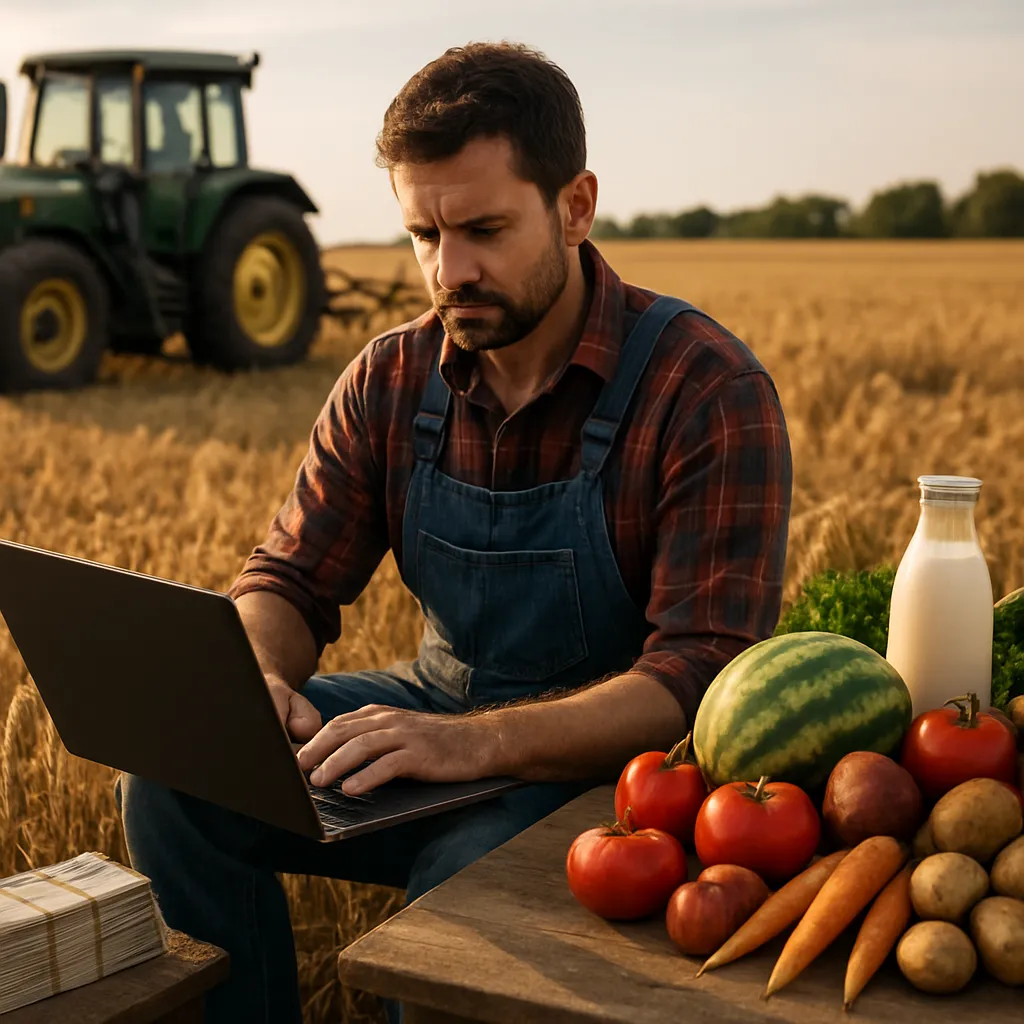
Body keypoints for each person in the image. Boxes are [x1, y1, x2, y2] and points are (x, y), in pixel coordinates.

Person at [116, 40, 793, 1024]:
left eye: (483, 229)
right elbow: (289, 579)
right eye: (423, 235)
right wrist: (256, 679)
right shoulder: (390, 377)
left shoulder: (705, 388)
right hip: (437, 710)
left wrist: (466, 746)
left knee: (452, 891)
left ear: (574, 205)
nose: (449, 270)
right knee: (173, 776)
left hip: (617, 777)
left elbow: (698, 676)